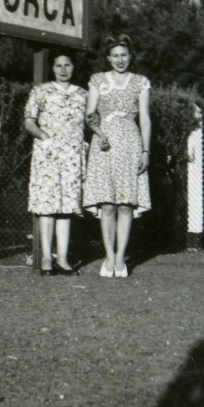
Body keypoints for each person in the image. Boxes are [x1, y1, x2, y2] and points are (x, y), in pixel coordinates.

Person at [83, 35, 151, 278]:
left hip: (130, 144)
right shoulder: (98, 80)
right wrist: (99, 133)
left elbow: (144, 118)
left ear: (130, 57)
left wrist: (145, 150)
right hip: (105, 145)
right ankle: (109, 256)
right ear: (108, 58)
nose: (120, 60)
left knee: (125, 204)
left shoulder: (140, 82)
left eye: (124, 55)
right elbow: (90, 114)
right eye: (115, 56)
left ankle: (121, 257)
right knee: (107, 204)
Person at [24, 53, 87, 276]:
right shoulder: (41, 91)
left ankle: (62, 259)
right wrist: (44, 136)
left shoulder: (83, 94)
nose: (63, 69)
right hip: (48, 153)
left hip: (71, 156)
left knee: (66, 208)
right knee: (47, 206)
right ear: (52, 68)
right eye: (58, 65)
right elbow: (29, 121)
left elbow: (92, 120)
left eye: (67, 65)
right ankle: (45, 259)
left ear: (73, 67)